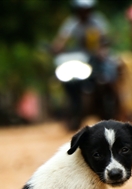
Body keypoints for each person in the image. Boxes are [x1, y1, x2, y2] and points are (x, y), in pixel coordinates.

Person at [52, 0, 122, 130]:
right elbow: (62, 39)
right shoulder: (72, 22)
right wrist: (57, 47)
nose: (83, 13)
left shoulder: (98, 21)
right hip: (81, 58)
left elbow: (104, 38)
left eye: (86, 10)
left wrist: (101, 50)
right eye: (81, 10)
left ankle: (115, 105)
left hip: (98, 58)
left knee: (107, 77)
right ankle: (75, 113)